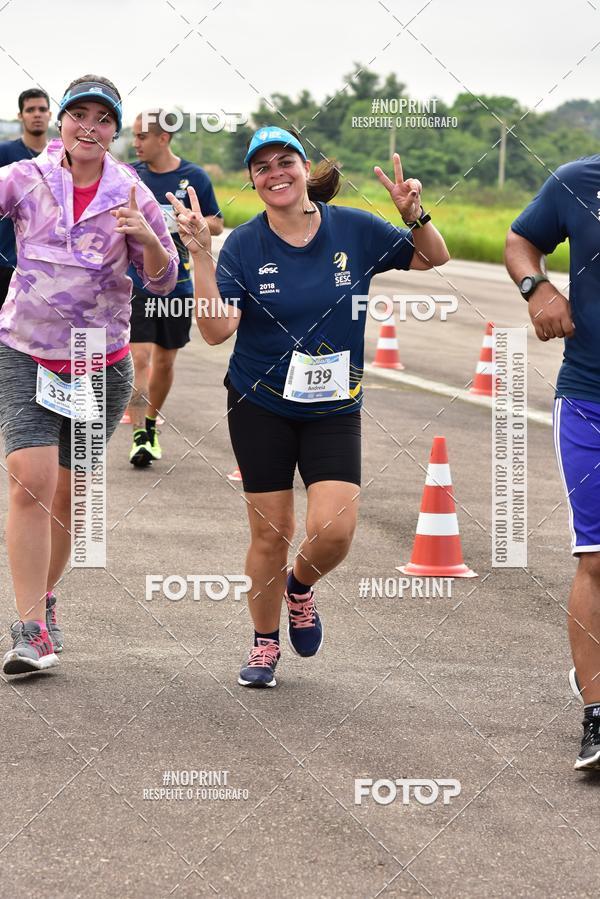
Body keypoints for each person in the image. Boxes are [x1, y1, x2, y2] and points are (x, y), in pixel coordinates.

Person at [167, 125, 450, 688]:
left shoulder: (354, 228)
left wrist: (413, 213)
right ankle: (264, 644)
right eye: (262, 167)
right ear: (253, 180)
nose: (276, 174)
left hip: (333, 405)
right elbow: (218, 329)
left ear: (304, 168)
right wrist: (200, 253)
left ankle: (300, 586)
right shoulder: (246, 245)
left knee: (336, 530)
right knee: (271, 533)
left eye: (285, 162)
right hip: (260, 402)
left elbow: (431, 258)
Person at [0, 75, 177, 676]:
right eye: (80, 115)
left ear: (114, 130)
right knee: (30, 481)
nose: (90, 128)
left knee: (68, 497)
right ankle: (29, 630)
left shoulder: (131, 192)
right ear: (61, 121)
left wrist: (149, 241)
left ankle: (44, 601)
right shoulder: (25, 177)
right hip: (25, 351)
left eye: (104, 119)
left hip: (97, 364)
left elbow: (163, 280)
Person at [505, 158, 600, 770]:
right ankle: (597, 712)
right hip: (591, 396)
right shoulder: (577, 181)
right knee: (596, 558)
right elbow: (521, 241)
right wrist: (535, 288)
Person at [126, 109, 223, 467]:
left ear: (162, 138)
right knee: (139, 358)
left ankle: (150, 422)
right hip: (136, 282)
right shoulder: (130, 175)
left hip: (179, 285)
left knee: (164, 362)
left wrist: (188, 221)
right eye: (134, 136)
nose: (134, 143)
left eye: (141, 136)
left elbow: (216, 224)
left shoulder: (193, 176)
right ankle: (139, 433)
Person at [0, 88, 51, 307]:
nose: (37, 114)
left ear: (50, 114)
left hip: (45, 264)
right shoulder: (4, 152)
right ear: (21, 116)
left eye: (42, 109)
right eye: (30, 110)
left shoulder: (61, 157)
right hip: (5, 258)